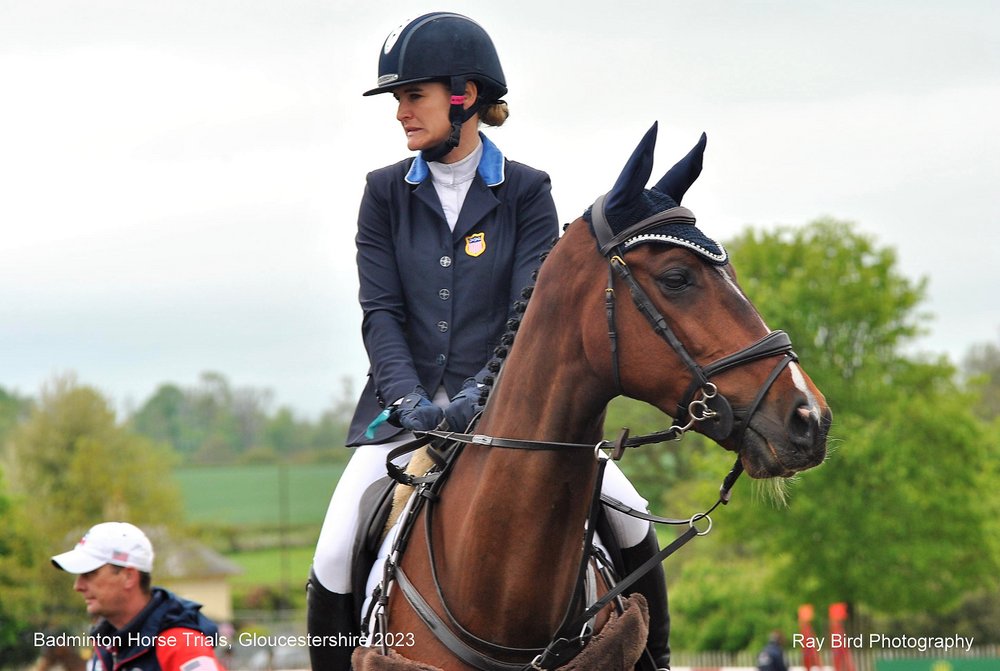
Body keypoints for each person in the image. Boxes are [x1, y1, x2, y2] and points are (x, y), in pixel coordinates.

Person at [307, 12, 672, 670]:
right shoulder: (384, 194)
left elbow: (527, 308)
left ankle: (658, 663)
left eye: (412, 95)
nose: (400, 113)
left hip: (513, 412)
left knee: (632, 514)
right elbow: (381, 312)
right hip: (401, 417)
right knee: (334, 548)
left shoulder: (527, 192)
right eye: (398, 99)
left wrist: (483, 391)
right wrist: (411, 399)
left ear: (463, 95)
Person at [51, 522, 224, 671]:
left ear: (129, 577)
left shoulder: (179, 644)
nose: (78, 586)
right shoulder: (107, 645)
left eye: (90, 573)